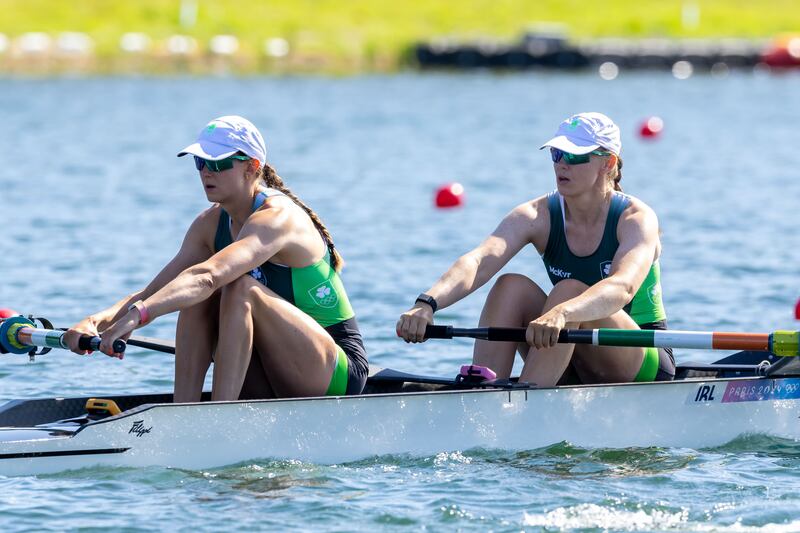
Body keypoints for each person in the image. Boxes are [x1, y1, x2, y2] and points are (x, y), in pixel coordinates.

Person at [66, 115, 368, 402]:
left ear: (252, 167)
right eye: (200, 162)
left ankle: (219, 420)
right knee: (190, 293)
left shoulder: (278, 218)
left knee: (237, 288)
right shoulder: (209, 225)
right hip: (272, 364)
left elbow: (208, 275)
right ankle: (184, 413)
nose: (206, 172)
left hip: (336, 371)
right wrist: (95, 321)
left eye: (218, 163)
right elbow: (155, 292)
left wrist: (137, 317)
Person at [397, 112, 674, 387]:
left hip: (641, 355)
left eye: (575, 156)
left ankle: (525, 405)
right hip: (569, 345)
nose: (562, 165)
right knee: (510, 286)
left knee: (568, 290)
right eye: (556, 154)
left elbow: (622, 287)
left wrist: (565, 311)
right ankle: (482, 398)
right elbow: (480, 261)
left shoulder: (636, 219)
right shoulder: (536, 215)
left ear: (608, 163)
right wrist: (427, 304)